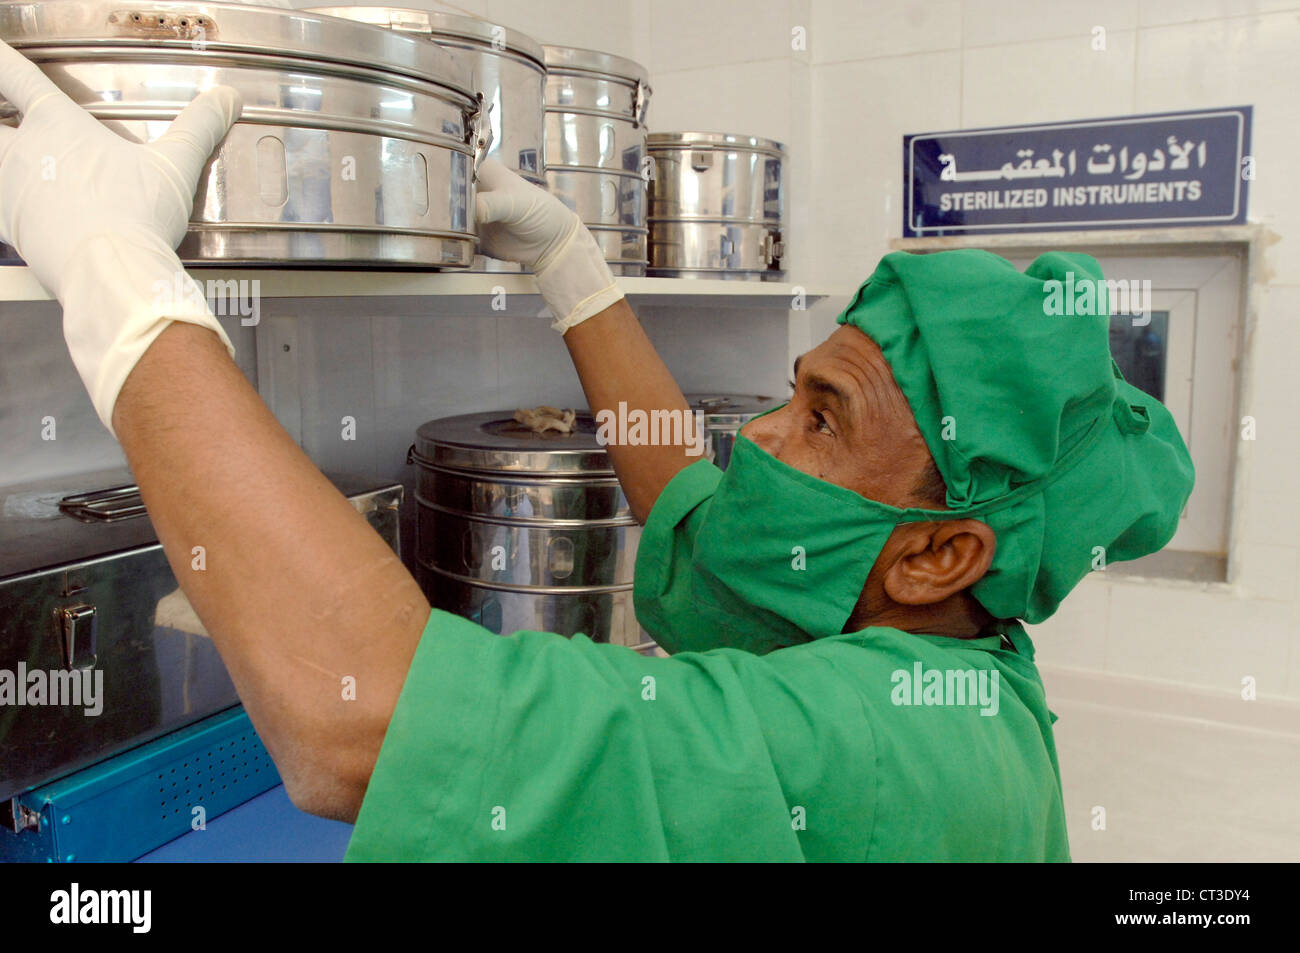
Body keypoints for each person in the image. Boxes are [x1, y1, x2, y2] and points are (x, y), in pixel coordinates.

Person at [0, 42, 1193, 861]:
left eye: (822, 417)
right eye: (792, 394)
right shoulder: (912, 617)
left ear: (941, 550)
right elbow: (689, 501)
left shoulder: (884, 741)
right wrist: (569, 265)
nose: (761, 440)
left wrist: (117, 278)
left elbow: (357, 719)